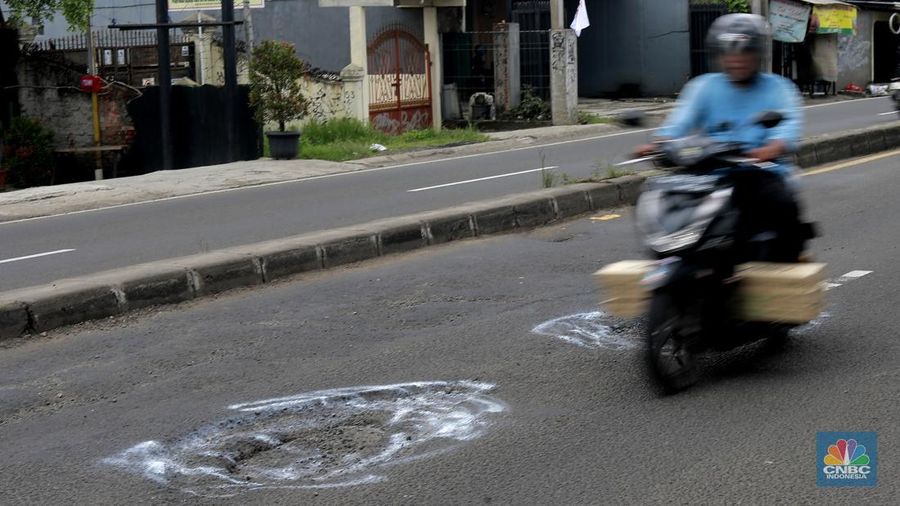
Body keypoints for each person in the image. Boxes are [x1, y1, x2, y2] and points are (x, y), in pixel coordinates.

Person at [635, 13, 808, 262]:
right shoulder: (703, 86)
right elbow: (679, 122)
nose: (737, 60)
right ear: (719, 54)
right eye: (730, 53)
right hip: (708, 174)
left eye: (744, 52)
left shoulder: (778, 87)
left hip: (757, 172)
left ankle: (794, 254)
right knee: (658, 202)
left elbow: (788, 125)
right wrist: (658, 144)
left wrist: (772, 147)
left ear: (757, 54)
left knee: (780, 200)